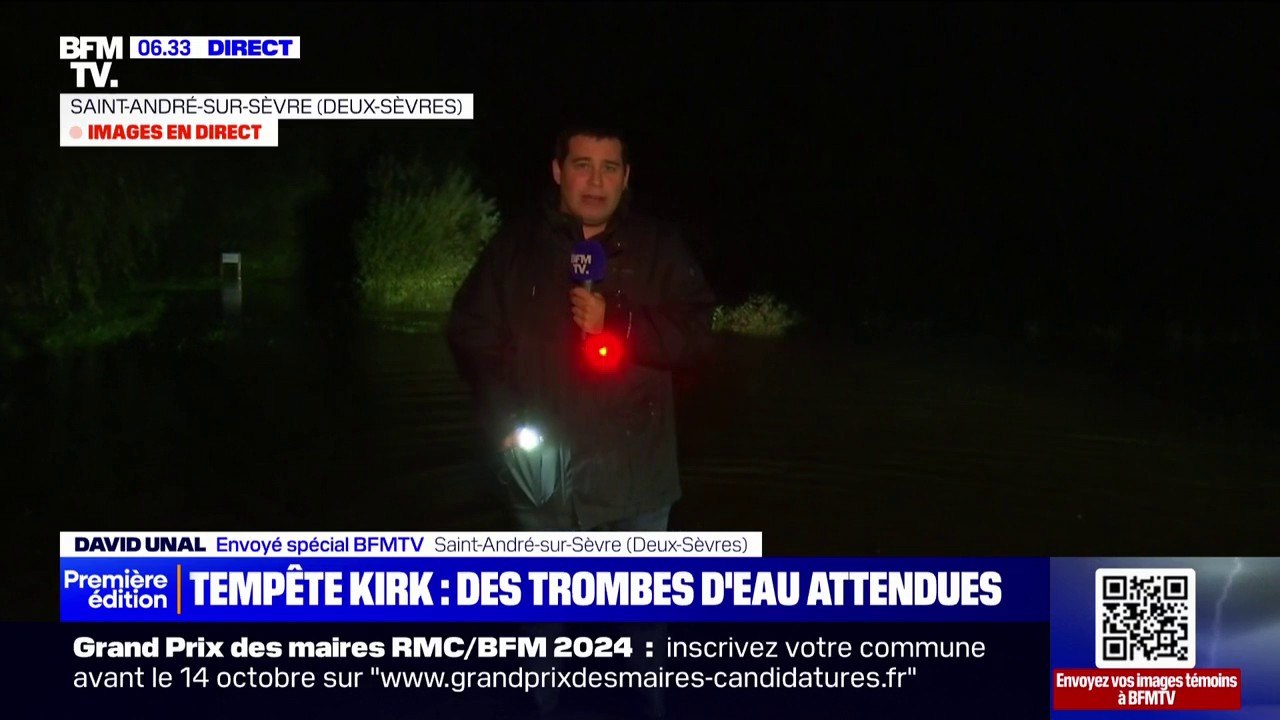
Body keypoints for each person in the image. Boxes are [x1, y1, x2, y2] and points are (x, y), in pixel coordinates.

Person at [447, 124, 716, 534]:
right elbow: (471, 333)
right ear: (558, 171)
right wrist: (505, 421)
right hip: (541, 488)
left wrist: (619, 322)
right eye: (583, 165)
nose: (595, 181)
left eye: (609, 167)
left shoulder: (660, 248)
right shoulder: (515, 247)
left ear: (626, 177)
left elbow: (696, 336)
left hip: (637, 492)